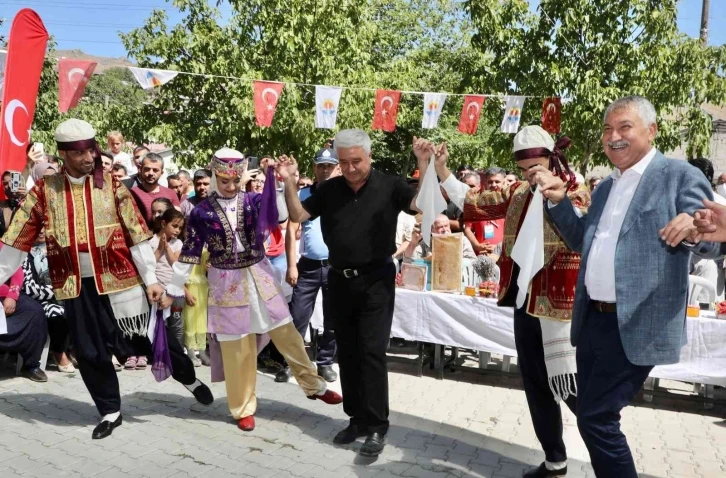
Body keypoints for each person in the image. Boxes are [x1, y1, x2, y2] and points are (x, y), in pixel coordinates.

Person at [538, 96, 718, 477]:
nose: (614, 137)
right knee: (593, 415)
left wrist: (693, 226)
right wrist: (559, 203)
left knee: (596, 418)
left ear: (651, 131)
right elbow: (580, 241)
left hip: (637, 321)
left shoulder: (679, 176)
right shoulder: (604, 189)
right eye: (607, 129)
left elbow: (713, 239)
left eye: (625, 127)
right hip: (593, 322)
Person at [0, 119, 213, 439]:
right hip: (73, 284)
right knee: (88, 349)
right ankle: (110, 410)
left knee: (149, 338)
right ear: (63, 153)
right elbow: (16, 239)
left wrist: (152, 280)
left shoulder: (111, 186)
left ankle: (187, 377)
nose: (89, 158)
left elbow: (139, 236)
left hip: (121, 279)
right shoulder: (44, 191)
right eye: (81, 152)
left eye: (92, 150)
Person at [433, 126, 591, 478]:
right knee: (535, 386)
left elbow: (579, 232)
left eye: (536, 166)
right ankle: (555, 461)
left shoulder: (575, 190)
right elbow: (476, 203)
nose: (530, 174)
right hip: (524, 300)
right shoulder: (518, 191)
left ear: (551, 158)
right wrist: (443, 169)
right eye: (523, 169)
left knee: (570, 385)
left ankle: (607, 446)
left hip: (559, 308)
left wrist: (557, 197)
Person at [165, 148, 342, 432]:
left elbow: (281, 215)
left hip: (259, 274)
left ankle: (313, 385)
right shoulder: (201, 211)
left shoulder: (253, 200)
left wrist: (280, 180)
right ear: (214, 176)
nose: (231, 186)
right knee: (238, 349)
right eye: (224, 181)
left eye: (236, 181)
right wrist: (173, 288)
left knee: (287, 332)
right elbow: (190, 251)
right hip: (225, 282)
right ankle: (242, 407)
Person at [277, 129, 424, 457]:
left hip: (376, 280)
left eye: (356, 161)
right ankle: (356, 418)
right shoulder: (330, 190)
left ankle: (377, 425)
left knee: (372, 351)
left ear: (369, 156)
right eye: (344, 162)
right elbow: (299, 215)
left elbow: (420, 204)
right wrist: (289, 182)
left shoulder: (390, 185)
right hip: (339, 279)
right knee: (349, 350)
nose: (351, 168)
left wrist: (424, 164)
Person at [278, 148, 339, 384]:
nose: (325, 169)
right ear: (314, 168)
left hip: (336, 265)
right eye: (321, 165)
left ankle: (325, 362)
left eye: (329, 165)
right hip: (309, 265)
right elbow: (292, 231)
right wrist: (291, 265)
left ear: (337, 168)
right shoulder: (303, 195)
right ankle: (291, 363)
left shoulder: (343, 194)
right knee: (298, 316)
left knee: (333, 317)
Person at [22, 228, 74, 373]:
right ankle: (59, 352)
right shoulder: (24, 253)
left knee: (79, 309)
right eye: (37, 228)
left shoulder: (58, 249)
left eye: (44, 227)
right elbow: (28, 288)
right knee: (57, 314)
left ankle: (74, 349)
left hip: (64, 294)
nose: (41, 231)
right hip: (39, 300)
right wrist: (56, 292)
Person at [0, 257, 48, 382]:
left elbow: (16, 270)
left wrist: (12, 296)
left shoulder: (4, 246)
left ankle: (31, 365)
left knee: (34, 311)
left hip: (5, 296)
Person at [149, 208, 186, 347]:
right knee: (160, 323)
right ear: (164, 223)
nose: (177, 230)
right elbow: (149, 264)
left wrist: (167, 248)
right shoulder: (151, 241)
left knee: (177, 323)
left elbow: (176, 264)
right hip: (159, 288)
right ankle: (160, 352)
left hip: (175, 289)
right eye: (174, 226)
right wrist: (159, 249)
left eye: (180, 228)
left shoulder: (178, 243)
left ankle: (178, 352)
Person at [129, 153, 181, 224]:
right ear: (140, 169)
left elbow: (177, 221)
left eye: (155, 170)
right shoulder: (131, 193)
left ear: (161, 173)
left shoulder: (171, 193)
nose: (151, 173)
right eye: (147, 169)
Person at [403, 214, 476, 260]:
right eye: (440, 227)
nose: (444, 230)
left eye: (446, 226)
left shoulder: (461, 240)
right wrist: (413, 242)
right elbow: (409, 260)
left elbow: (472, 261)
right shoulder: (426, 243)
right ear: (432, 230)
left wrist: (450, 259)